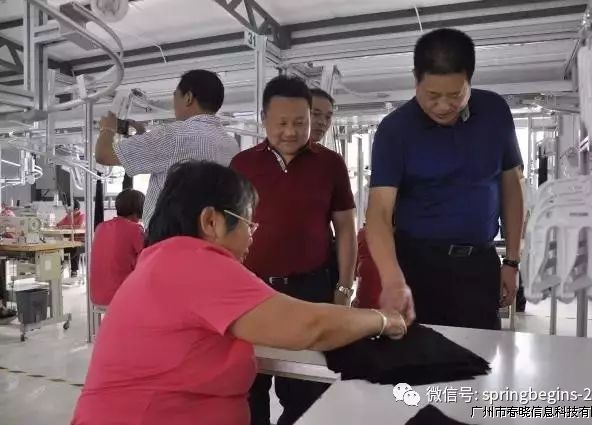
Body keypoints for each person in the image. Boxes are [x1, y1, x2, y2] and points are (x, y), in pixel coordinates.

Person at [71, 160, 406, 425]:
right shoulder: (196, 263)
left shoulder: (163, 260)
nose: (251, 236)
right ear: (211, 222)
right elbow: (309, 327)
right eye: (248, 223)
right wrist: (381, 319)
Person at [366, 28, 524, 330]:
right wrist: (392, 278)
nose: (442, 106)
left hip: (479, 265)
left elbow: (512, 188)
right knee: (420, 352)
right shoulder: (395, 130)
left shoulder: (495, 113)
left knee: (479, 353)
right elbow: (379, 212)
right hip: (417, 267)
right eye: (432, 96)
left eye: (455, 96)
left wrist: (513, 261)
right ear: (416, 80)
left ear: (469, 81)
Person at [230, 76, 357, 425]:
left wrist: (344, 289)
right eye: (281, 123)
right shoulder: (242, 164)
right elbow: (227, 230)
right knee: (249, 385)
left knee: (307, 390)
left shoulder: (330, 164)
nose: (291, 132)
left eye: (300, 122)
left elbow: (346, 229)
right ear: (263, 120)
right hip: (253, 292)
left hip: (309, 291)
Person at [95, 69, 240, 225]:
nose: (173, 102)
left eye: (175, 95)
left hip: (170, 234)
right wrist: (142, 135)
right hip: (211, 231)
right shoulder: (231, 145)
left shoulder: (173, 135)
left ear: (188, 97)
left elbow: (104, 155)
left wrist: (107, 128)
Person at [89, 189, 145, 306]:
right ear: (140, 209)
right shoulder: (135, 230)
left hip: (96, 296)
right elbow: (147, 259)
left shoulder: (100, 227)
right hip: (120, 298)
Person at [58, 199, 85, 278]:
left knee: (74, 247)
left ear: (76, 209)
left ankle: (72, 268)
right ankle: (63, 263)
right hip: (71, 241)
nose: (68, 211)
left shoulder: (82, 216)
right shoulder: (68, 216)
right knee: (59, 247)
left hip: (82, 242)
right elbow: (58, 225)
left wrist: (65, 227)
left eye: (70, 210)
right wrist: (64, 226)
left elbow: (79, 226)